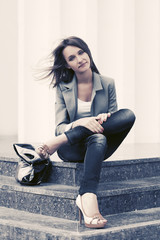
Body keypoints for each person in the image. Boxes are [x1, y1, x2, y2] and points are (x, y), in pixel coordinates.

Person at [17, 36, 136, 229]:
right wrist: (81, 122)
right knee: (96, 136)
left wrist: (104, 117)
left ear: (87, 52)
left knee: (127, 115)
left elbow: (116, 119)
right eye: (72, 58)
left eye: (81, 52)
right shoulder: (63, 88)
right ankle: (87, 195)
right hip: (71, 148)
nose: (79, 59)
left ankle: (57, 144)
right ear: (68, 65)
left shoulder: (107, 83)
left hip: (99, 144)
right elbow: (60, 126)